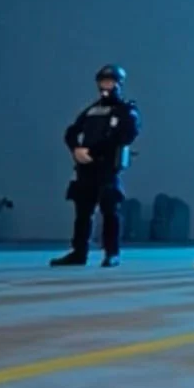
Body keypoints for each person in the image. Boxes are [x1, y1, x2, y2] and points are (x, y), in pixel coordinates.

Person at [53, 64, 141, 268]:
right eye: (103, 82)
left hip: (107, 167)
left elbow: (126, 135)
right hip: (85, 168)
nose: (106, 86)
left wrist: (93, 152)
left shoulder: (126, 109)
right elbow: (72, 131)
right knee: (82, 212)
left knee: (110, 210)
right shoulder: (92, 109)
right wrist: (76, 149)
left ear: (119, 84)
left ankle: (112, 252)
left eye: (110, 81)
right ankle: (78, 252)